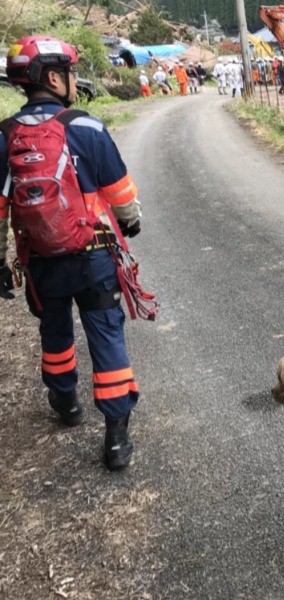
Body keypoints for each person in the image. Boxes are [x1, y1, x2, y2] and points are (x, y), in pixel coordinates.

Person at [0, 37, 143, 470]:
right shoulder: (87, 127)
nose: (75, 80)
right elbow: (122, 195)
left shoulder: (4, 135)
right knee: (105, 334)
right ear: (55, 78)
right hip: (94, 256)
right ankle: (116, 438)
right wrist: (130, 222)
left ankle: (65, 402)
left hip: (41, 260)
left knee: (55, 332)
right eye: (71, 73)